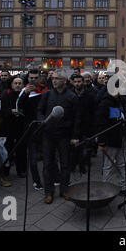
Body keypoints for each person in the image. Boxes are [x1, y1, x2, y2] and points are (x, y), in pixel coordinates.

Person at [37, 69, 81, 204]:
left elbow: (77, 118)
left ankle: (64, 190)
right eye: (53, 78)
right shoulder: (47, 94)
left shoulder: (72, 96)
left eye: (57, 78)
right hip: (48, 134)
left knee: (65, 164)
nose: (54, 80)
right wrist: (42, 121)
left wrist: (75, 136)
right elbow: (39, 110)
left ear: (65, 81)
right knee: (48, 164)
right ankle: (48, 192)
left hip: (64, 135)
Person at [94, 87, 126, 196]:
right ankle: (105, 188)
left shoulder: (119, 101)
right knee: (108, 166)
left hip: (119, 138)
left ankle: (123, 188)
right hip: (110, 140)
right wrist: (101, 142)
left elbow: (118, 118)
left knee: (121, 164)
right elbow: (101, 124)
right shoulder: (105, 103)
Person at [17, 69, 47, 190]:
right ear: (28, 78)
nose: (33, 80)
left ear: (39, 78)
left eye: (35, 78)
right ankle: (36, 181)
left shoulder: (45, 90)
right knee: (33, 159)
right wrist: (25, 94)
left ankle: (52, 178)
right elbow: (20, 109)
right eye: (31, 78)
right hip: (30, 129)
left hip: (44, 128)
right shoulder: (24, 91)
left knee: (48, 157)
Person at [0, 77, 26, 177]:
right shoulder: (6, 94)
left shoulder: (24, 95)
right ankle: (6, 170)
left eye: (20, 83)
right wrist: (10, 111)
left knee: (21, 149)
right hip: (8, 126)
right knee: (7, 149)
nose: (18, 85)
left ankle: (21, 170)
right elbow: (1, 110)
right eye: (16, 83)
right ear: (12, 84)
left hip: (21, 126)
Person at [71, 74, 96, 173]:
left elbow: (93, 111)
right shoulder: (71, 95)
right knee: (73, 148)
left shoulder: (89, 96)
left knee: (84, 148)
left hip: (86, 125)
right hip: (73, 125)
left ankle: (82, 166)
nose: (77, 84)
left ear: (83, 82)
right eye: (75, 82)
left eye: (79, 82)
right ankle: (72, 165)